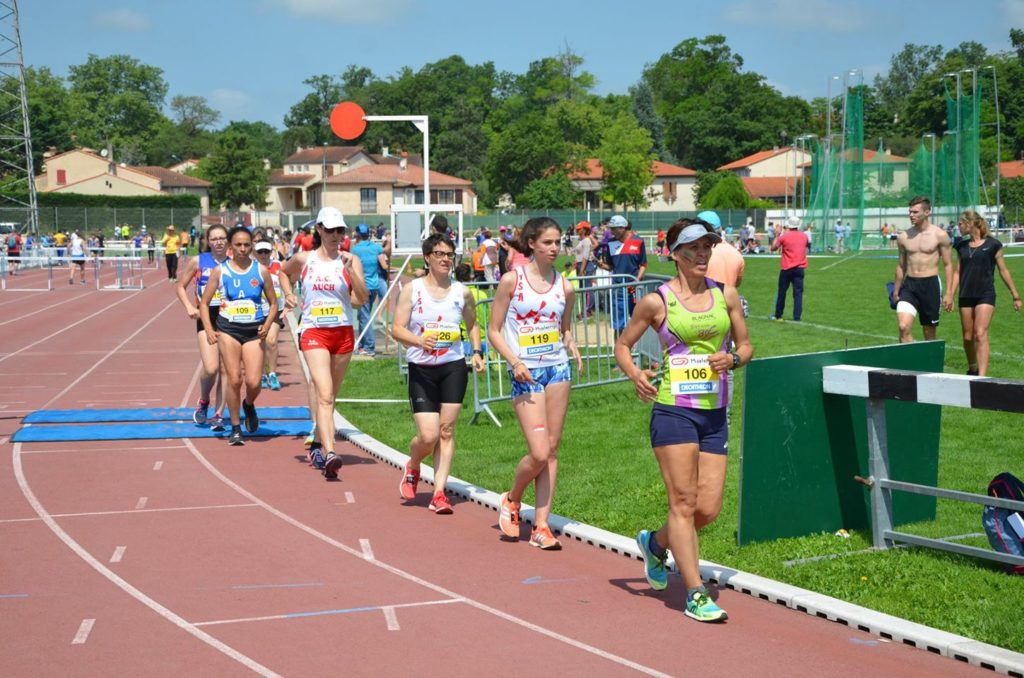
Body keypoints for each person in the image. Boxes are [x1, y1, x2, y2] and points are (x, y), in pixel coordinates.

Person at [614, 218, 752, 623]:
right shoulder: (657, 301)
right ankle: (694, 593)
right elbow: (624, 345)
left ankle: (656, 544)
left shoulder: (726, 294)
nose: (703, 255)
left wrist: (734, 359)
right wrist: (636, 373)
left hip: (714, 411)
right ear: (674, 254)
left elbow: (746, 344)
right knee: (683, 501)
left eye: (708, 247)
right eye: (693, 248)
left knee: (707, 509)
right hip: (674, 410)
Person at [489, 217, 583, 550]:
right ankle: (512, 498)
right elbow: (494, 331)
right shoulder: (512, 281)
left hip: (557, 369)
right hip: (525, 372)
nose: (555, 248)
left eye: (558, 242)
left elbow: (564, 327)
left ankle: (541, 525)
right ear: (531, 244)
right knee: (539, 451)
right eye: (547, 242)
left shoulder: (566, 286)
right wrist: (513, 362)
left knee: (553, 449)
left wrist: (571, 344)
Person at [392, 234, 485, 514]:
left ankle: (439, 492)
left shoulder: (462, 292)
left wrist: (477, 352)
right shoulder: (413, 290)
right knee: (428, 435)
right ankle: (414, 463)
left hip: (453, 367)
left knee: (446, 430)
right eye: (440, 254)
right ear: (428, 258)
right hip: (422, 369)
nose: (446, 259)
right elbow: (397, 329)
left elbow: (473, 325)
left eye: (450, 254)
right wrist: (419, 341)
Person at [280, 206, 367, 479]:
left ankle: (317, 443)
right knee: (325, 394)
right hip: (314, 332)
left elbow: (362, 298)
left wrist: (351, 272)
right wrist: (288, 295)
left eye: (339, 230)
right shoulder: (304, 259)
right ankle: (331, 453)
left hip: (343, 333)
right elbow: (284, 273)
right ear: (319, 229)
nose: (335, 235)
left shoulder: (350, 259)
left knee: (331, 396)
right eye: (329, 230)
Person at [199, 226, 278, 446]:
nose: (243, 249)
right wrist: (209, 329)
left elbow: (273, 303)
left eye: (246, 244)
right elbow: (204, 303)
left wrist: (268, 324)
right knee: (234, 379)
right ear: (230, 247)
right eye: (238, 245)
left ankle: (249, 404)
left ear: (251, 245)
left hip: (253, 331)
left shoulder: (261, 271)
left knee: (253, 382)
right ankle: (235, 428)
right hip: (228, 330)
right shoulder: (221, 271)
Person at [950, 209, 1021, 376]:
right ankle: (973, 368)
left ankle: (982, 378)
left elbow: (1004, 271)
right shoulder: (961, 246)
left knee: (980, 334)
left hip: (985, 295)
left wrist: (1015, 295)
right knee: (968, 338)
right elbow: (957, 272)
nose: (958, 226)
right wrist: (950, 295)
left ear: (970, 223)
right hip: (965, 295)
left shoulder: (993, 245)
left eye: (960, 223)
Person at [176, 224, 230, 430]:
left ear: (227, 240)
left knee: (227, 370)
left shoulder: (235, 263)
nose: (218, 242)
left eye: (222, 238)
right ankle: (204, 401)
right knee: (211, 367)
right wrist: (190, 307)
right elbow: (180, 286)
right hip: (206, 317)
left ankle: (218, 414)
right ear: (208, 241)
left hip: (230, 319)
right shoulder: (199, 261)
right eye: (214, 238)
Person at [892, 196, 953, 343]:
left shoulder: (940, 235)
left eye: (915, 212)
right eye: (910, 212)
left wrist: (949, 293)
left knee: (929, 332)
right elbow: (901, 265)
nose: (911, 215)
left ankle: (929, 366)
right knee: (903, 326)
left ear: (927, 212)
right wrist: (896, 290)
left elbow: (948, 265)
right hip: (910, 285)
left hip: (930, 285)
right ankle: (909, 364)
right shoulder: (904, 237)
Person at [599, 214, 647, 336]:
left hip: (633, 287)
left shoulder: (638, 241)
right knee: (619, 323)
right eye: (611, 228)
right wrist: (602, 265)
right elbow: (611, 266)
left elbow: (643, 264)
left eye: (614, 229)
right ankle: (620, 348)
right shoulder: (611, 243)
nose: (611, 231)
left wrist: (637, 280)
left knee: (637, 318)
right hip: (618, 288)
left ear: (622, 228)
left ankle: (636, 349)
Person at [252, 237, 287, 390]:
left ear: (271, 252)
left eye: (266, 251)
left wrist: (289, 297)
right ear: (255, 253)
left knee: (271, 341)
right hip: (257, 311)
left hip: (275, 310)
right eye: (260, 252)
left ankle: (272, 374)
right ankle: (261, 374)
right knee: (260, 343)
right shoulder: (251, 268)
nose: (264, 255)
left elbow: (289, 281)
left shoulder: (280, 266)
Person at [351, 223, 387, 357]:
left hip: (362, 287)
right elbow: (384, 255)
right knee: (362, 316)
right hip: (374, 286)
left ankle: (369, 346)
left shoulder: (355, 250)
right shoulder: (376, 248)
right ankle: (362, 344)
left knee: (364, 316)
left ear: (357, 235)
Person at [770, 216, 809, 321]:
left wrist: (777, 235)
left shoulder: (784, 237)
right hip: (800, 268)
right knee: (798, 294)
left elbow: (773, 248)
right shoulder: (804, 236)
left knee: (782, 292)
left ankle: (778, 314)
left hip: (787, 268)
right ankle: (797, 317)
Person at [700, 211, 744, 289]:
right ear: (720, 228)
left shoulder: (698, 254)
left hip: (704, 299)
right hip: (728, 299)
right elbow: (736, 283)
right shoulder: (737, 254)